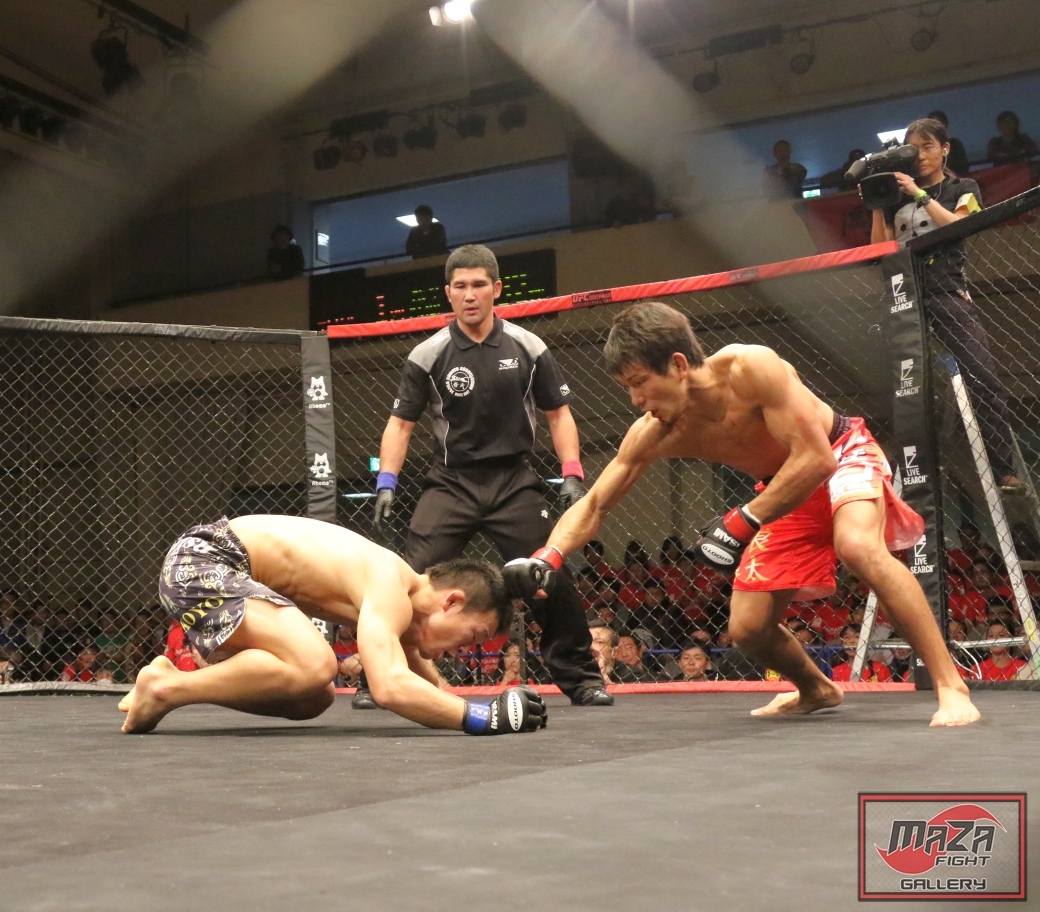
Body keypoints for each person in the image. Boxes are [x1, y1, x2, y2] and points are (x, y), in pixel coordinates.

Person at [502, 300, 980, 726]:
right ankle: (816, 689)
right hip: (781, 489)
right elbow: (594, 503)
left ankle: (950, 684)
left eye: (640, 383)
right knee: (748, 629)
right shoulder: (655, 431)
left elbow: (817, 460)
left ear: (678, 364)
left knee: (857, 546)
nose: (636, 401)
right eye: (628, 388)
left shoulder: (751, 368)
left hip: (840, 453)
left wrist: (742, 519)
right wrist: (550, 556)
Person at [370, 243, 609, 707]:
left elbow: (558, 414)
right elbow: (400, 425)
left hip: (513, 480)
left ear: (496, 289)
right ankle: (381, 675)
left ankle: (582, 679)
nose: (470, 294)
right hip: (450, 482)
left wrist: (572, 474)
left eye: (479, 284)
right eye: (460, 286)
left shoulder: (528, 347)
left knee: (547, 573)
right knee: (409, 579)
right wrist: (385, 483)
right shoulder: (428, 354)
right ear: (448, 293)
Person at [118, 515, 543, 736]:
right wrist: (484, 717)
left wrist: (459, 703)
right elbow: (390, 688)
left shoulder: (400, 603)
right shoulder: (388, 585)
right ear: (452, 601)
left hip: (222, 575)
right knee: (315, 664)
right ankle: (166, 690)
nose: (467, 651)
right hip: (206, 559)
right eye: (474, 636)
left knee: (313, 697)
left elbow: (418, 675)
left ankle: (168, 683)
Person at [871, 117, 1023, 493]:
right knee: (906, 390)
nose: (921, 156)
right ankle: (904, 473)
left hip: (946, 291)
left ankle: (1005, 469)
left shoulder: (962, 187)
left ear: (945, 149)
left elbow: (960, 226)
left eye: (928, 147)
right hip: (903, 296)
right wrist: (877, 202)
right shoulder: (895, 197)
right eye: (914, 149)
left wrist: (920, 195)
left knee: (982, 377)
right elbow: (878, 250)